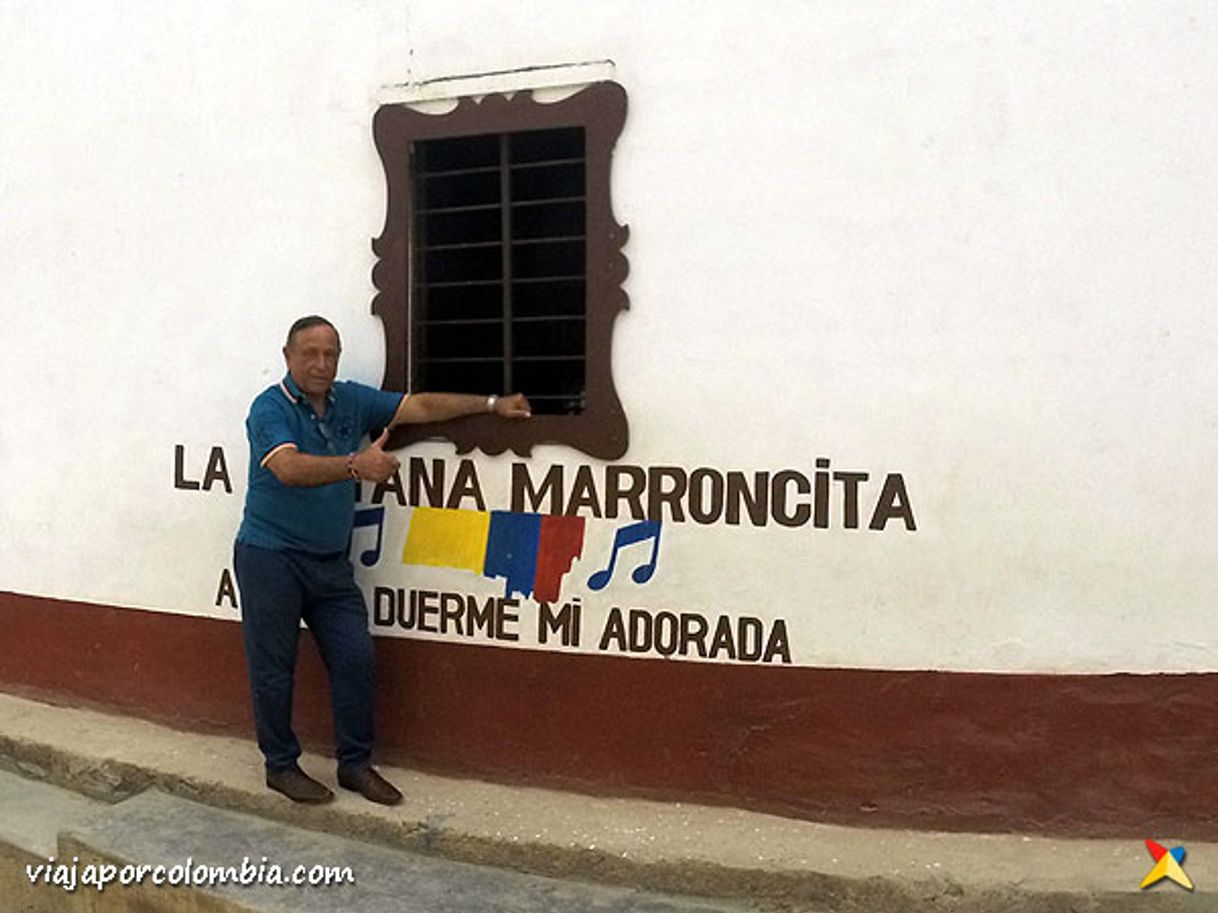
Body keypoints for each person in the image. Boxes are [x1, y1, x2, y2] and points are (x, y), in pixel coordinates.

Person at [234, 315, 530, 805]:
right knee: (273, 667)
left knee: (355, 659)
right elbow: (286, 467)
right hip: (271, 555)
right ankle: (280, 765)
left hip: (330, 562)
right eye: (310, 353)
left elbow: (419, 406)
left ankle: (354, 765)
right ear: (287, 356)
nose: (321, 363)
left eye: (330, 353)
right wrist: (355, 464)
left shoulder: (349, 399)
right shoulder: (270, 408)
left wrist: (493, 404)